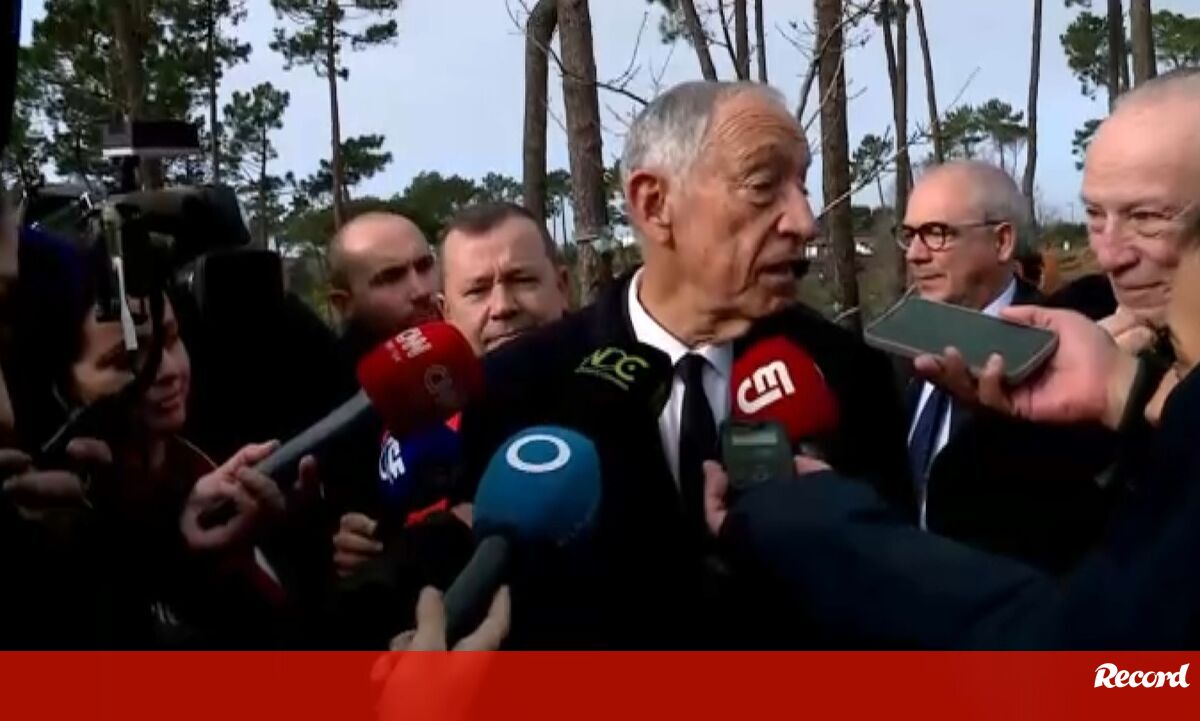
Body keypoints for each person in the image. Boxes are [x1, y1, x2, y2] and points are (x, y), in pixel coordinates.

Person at [702, 67, 1200, 649]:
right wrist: (1132, 395)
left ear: (1003, 241)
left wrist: (812, 522)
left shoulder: (1076, 339)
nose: (1110, 254)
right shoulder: (909, 357)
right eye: (1093, 216)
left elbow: (1112, 664)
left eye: (1147, 218)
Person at [455, 80, 913, 649]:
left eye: (801, 186)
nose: (804, 221)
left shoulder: (849, 373)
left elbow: (890, 603)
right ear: (654, 204)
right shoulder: (518, 388)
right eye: (763, 187)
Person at [900, 161, 1113, 572]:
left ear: (1001, 242)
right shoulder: (898, 350)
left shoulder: (1065, 351)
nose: (915, 255)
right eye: (909, 235)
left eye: (937, 233)